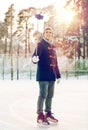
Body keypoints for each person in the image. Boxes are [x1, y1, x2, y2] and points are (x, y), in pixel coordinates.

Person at [32, 27, 61, 126]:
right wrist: (34, 59)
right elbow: (35, 56)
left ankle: (48, 113)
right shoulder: (40, 44)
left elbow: (55, 62)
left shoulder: (53, 46)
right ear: (44, 34)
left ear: (52, 34)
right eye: (47, 32)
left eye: (50, 32)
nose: (48, 34)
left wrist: (58, 75)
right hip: (43, 74)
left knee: (50, 95)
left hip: (51, 75)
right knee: (43, 94)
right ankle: (40, 114)